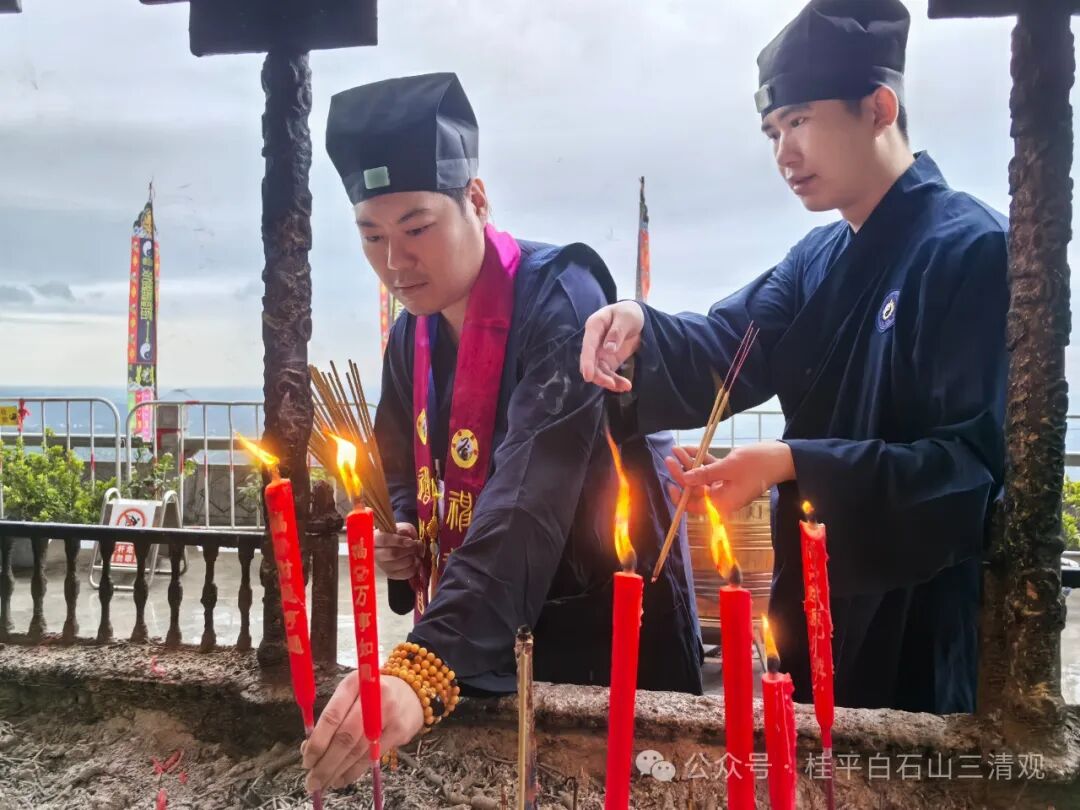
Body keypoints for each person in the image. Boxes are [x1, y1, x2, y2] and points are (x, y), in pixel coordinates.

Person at [580, 0, 1008, 715]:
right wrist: (638, 328)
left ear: (879, 108)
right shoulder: (816, 257)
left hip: (918, 613)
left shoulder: (972, 249)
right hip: (811, 590)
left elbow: (968, 473)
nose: (784, 153)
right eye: (773, 131)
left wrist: (792, 463)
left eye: (801, 121)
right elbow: (729, 343)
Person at [302, 72, 703, 792]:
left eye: (417, 229)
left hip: (599, 625)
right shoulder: (411, 333)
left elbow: (527, 497)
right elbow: (398, 457)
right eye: (372, 236)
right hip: (479, 623)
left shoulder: (563, 299)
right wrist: (403, 526)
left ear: (477, 200)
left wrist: (421, 667)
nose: (395, 262)